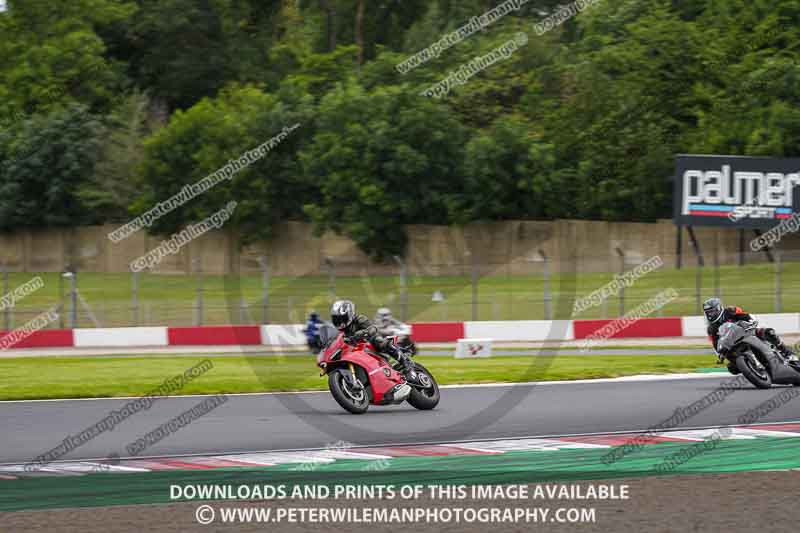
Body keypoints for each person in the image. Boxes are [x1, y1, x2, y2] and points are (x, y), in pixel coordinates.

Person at [703, 297, 798, 374]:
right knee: (732, 368)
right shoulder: (711, 329)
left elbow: (746, 316)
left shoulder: (730, 311)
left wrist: (751, 322)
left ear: (718, 308)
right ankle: (752, 369)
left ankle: (786, 352)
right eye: (708, 313)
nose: (710, 315)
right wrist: (720, 354)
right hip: (732, 343)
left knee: (768, 332)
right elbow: (715, 343)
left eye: (712, 311)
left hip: (746, 332)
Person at [331, 300, 413, 371]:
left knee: (380, 341)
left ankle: (405, 362)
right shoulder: (340, 330)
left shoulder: (360, 319)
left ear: (349, 314)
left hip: (369, 342)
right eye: (336, 319)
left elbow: (373, 328)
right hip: (355, 350)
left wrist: (362, 333)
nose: (339, 321)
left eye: (342, 318)